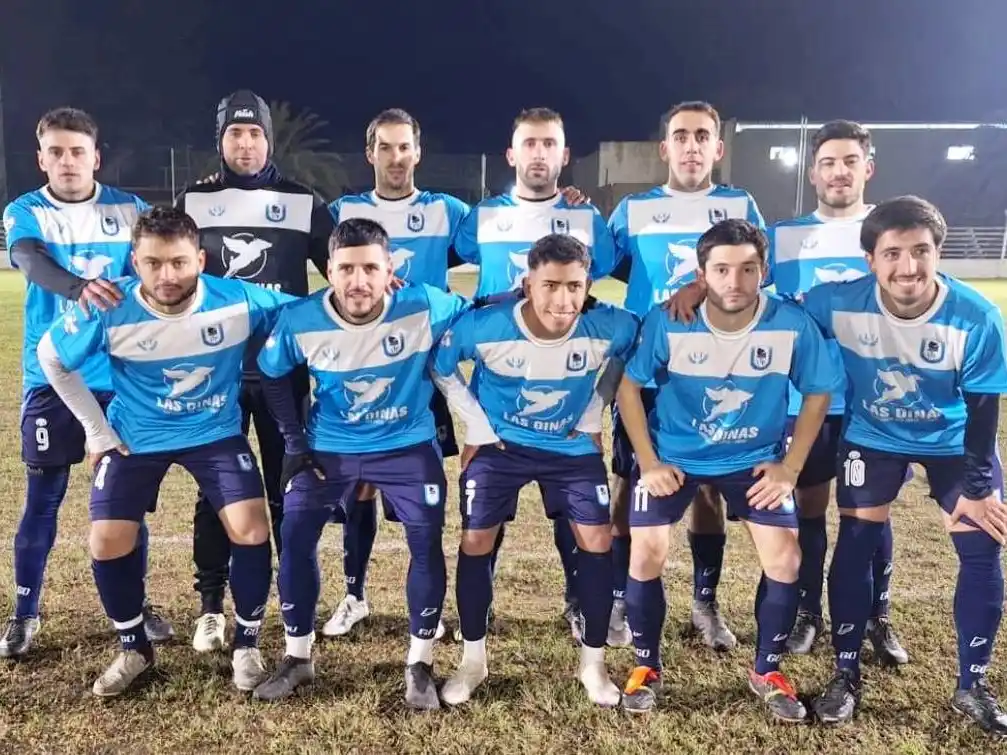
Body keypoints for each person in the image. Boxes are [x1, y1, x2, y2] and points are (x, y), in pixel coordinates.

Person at [664, 119, 908, 663]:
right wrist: (696, 284)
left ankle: (879, 617)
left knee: (873, 513)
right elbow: (739, 270)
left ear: (868, 168)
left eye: (849, 162)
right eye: (828, 162)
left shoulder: (890, 229)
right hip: (811, 399)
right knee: (810, 510)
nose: (839, 172)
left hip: (877, 403)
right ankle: (807, 615)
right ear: (813, 171)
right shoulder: (787, 234)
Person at [35, 206, 293, 696]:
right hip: (135, 439)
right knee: (106, 540)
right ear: (135, 261)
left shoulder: (238, 299)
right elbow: (51, 356)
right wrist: (96, 431)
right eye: (153, 263)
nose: (167, 275)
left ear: (200, 259)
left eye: (178, 262)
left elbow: (305, 312)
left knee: (252, 528)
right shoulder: (108, 304)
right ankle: (134, 647)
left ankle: (247, 644)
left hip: (215, 433)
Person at [615, 218, 840, 721]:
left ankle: (767, 669)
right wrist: (648, 462)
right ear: (701, 274)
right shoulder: (670, 320)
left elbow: (818, 391)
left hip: (750, 461)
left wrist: (790, 466)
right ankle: (645, 666)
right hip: (675, 457)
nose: (734, 282)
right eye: (720, 270)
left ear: (764, 272)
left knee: (786, 559)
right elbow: (628, 389)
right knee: (645, 551)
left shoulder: (790, 323)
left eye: (747, 270)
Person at [799, 197, 1007, 736]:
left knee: (982, 548)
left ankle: (973, 684)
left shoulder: (978, 317)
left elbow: (984, 412)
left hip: (954, 444)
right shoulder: (835, 302)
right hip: (873, 440)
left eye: (921, 251)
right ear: (870, 259)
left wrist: (980, 489)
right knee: (855, 542)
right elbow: (764, 308)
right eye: (892, 253)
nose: (908, 267)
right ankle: (846, 673)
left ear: (939, 252)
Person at [252, 218, 467, 709]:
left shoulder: (425, 304)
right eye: (347, 268)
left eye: (370, 267)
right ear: (329, 270)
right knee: (296, 534)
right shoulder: (301, 318)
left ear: (390, 270)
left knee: (425, 540)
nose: (358, 281)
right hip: (329, 450)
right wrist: (293, 442)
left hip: (407, 447)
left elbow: (478, 310)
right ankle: (298, 656)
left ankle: (419, 662)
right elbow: (271, 375)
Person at [432, 233, 636, 707]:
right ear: (528, 284)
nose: (563, 299)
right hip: (501, 447)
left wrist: (591, 414)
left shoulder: (611, 325)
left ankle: (593, 665)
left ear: (588, 286)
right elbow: (442, 367)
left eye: (574, 286)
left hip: (569, 449)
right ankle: (473, 660)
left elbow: (630, 352)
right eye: (550, 285)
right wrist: (478, 428)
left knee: (598, 540)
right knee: (476, 540)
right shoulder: (485, 326)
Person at [0, 107, 172, 658]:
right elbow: (28, 259)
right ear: (41, 158)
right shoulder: (26, 210)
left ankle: (136, 606)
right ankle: (25, 611)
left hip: (120, 378)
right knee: (43, 497)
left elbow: (157, 262)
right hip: (52, 376)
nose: (68, 161)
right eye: (56, 152)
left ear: (95, 157)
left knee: (125, 502)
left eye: (78, 152)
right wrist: (78, 288)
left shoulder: (130, 210)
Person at [174, 89, 334, 654]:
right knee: (215, 490)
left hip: (282, 373)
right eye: (235, 133)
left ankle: (292, 603)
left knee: (288, 484)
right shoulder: (193, 199)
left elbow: (339, 268)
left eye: (255, 133)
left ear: (268, 139)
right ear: (220, 140)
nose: (245, 143)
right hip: (216, 372)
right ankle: (212, 607)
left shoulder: (302, 201)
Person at [452, 106, 618, 644]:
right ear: (512, 154)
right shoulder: (481, 217)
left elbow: (606, 283)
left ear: (564, 155)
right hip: (499, 387)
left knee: (567, 509)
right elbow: (443, 262)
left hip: (566, 384)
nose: (539, 153)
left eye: (550, 144)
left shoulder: (586, 218)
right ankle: (481, 606)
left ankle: (579, 602)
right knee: (486, 509)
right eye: (530, 144)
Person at [606, 101, 765, 651]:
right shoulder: (632, 209)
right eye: (681, 135)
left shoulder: (739, 204)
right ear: (665, 148)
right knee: (630, 483)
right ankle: (623, 600)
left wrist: (702, 286)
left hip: (719, 370)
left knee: (707, 489)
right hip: (651, 372)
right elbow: (591, 263)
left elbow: (760, 277)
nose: (692, 145)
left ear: (718, 148)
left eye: (703, 136)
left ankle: (705, 601)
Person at [324, 108, 469, 640]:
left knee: (423, 491)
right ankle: (354, 595)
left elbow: (507, 237)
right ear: (370, 154)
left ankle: (429, 606)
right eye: (385, 147)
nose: (395, 157)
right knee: (358, 487)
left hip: (421, 371)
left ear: (418, 151)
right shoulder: (344, 210)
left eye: (404, 146)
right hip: (359, 366)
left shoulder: (448, 211)